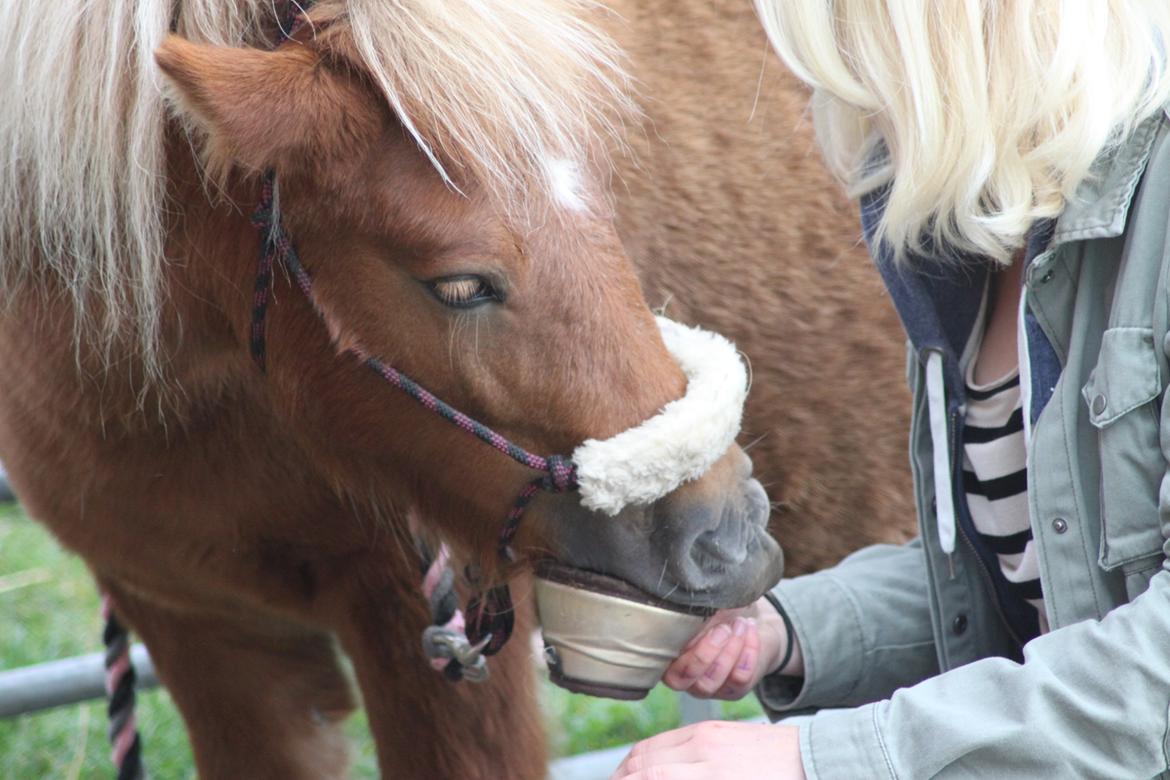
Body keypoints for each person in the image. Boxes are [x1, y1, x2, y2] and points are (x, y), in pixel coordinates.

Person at [611, 2, 1170, 778]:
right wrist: (784, 629)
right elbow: (1018, 576)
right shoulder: (978, 254)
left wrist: (817, 758)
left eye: (853, 62)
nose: (841, 104)